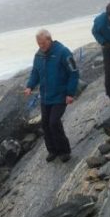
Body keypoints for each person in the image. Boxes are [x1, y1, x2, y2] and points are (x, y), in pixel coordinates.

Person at [24, 29, 79, 162]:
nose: (41, 46)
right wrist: (30, 86)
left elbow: (74, 73)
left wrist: (70, 93)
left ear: (49, 39)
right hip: (45, 96)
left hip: (60, 95)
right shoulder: (38, 55)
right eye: (38, 44)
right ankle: (52, 150)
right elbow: (35, 72)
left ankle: (64, 151)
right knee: (45, 124)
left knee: (54, 122)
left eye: (43, 43)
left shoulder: (63, 52)